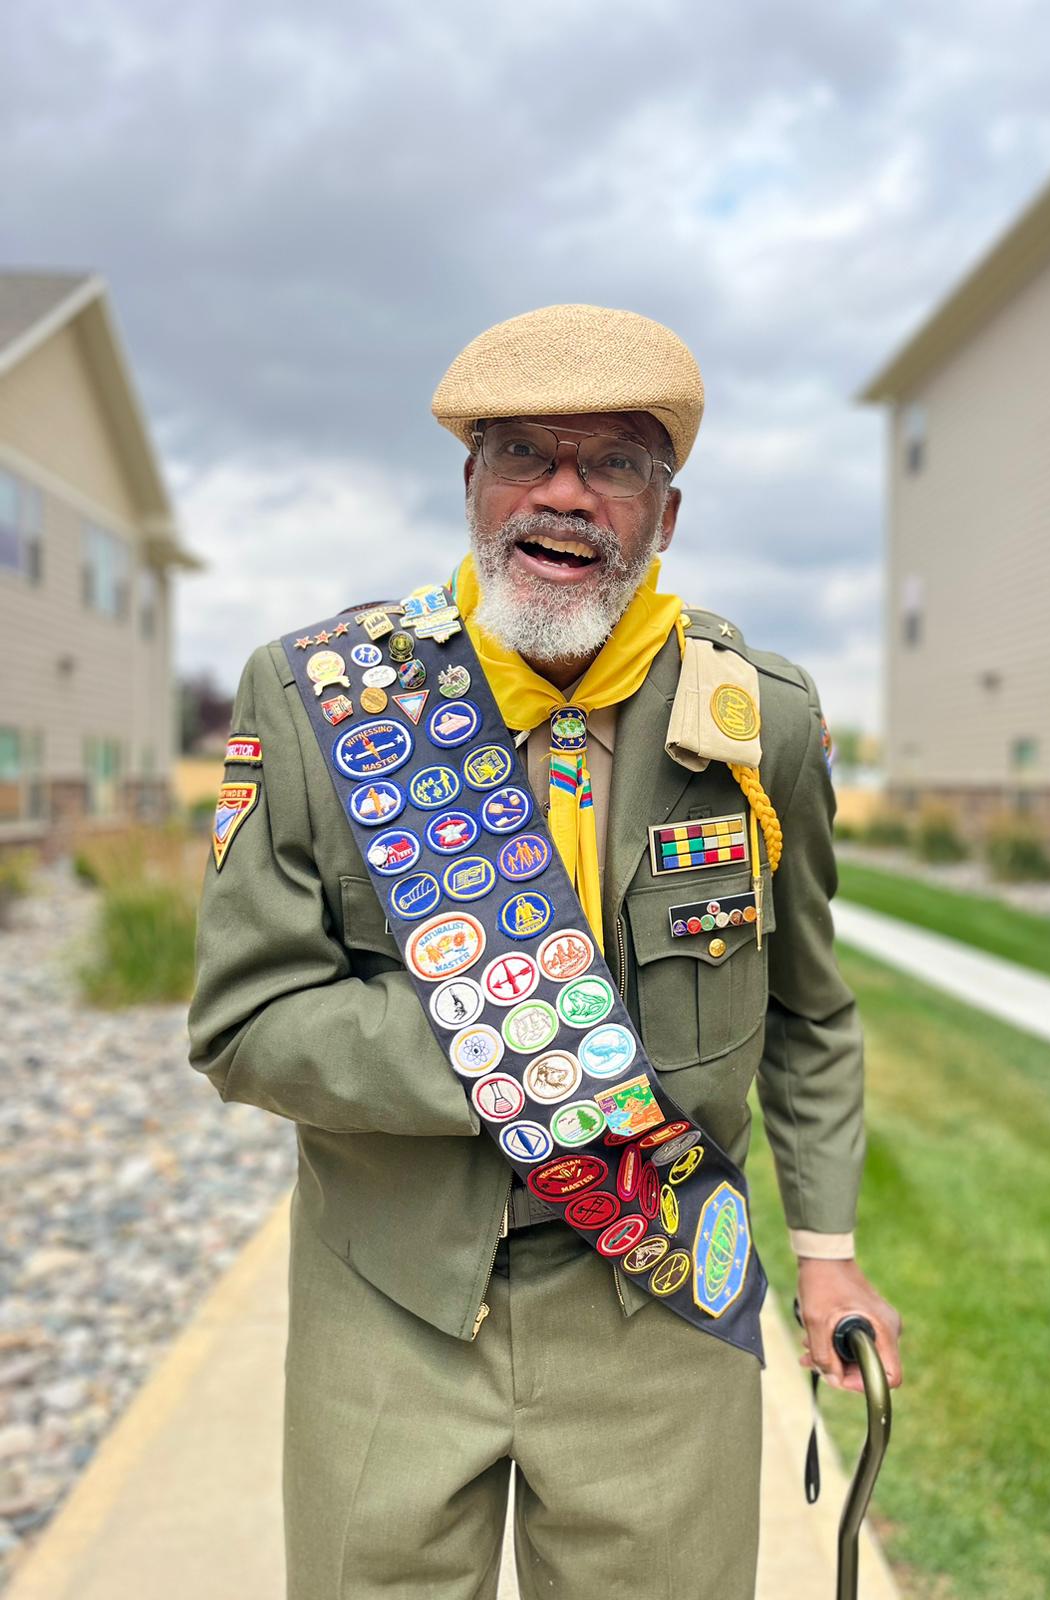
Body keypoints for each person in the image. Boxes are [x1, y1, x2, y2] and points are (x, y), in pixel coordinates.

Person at [187, 302, 902, 1600]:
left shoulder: (759, 724)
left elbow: (809, 1011)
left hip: (659, 1297)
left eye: (615, 462)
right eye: (527, 455)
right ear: (473, 485)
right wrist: (524, 1049)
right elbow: (244, 1019)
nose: (564, 497)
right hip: (391, 1298)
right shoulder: (320, 705)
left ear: (666, 515)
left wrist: (829, 1253)